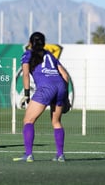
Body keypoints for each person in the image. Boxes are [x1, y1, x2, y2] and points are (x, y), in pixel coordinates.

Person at [13, 32, 69, 162]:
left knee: (28, 120)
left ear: (30, 42)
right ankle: (60, 155)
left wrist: (26, 95)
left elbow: (25, 75)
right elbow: (65, 76)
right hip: (60, 86)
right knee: (56, 122)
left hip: (46, 88)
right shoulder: (50, 55)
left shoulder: (27, 54)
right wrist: (65, 98)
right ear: (44, 43)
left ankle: (28, 154)